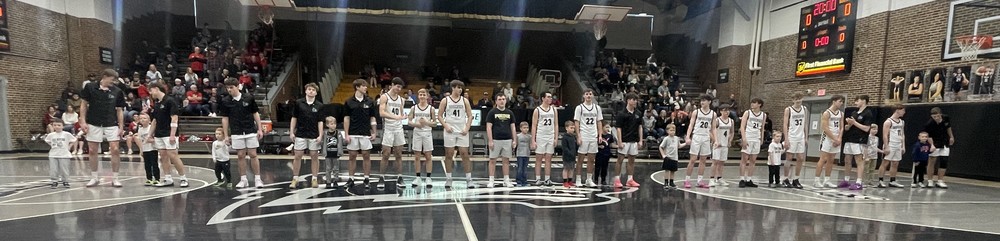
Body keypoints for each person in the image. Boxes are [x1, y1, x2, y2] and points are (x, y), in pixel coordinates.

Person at [80, 69, 127, 187]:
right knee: (92, 150)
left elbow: (120, 110)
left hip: (111, 123)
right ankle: (94, 177)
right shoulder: (90, 87)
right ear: (105, 76)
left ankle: (115, 178)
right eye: (112, 79)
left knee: (115, 149)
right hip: (93, 122)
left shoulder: (118, 91)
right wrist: (83, 121)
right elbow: (83, 105)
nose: (114, 82)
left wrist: (121, 126)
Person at [219, 78, 265, 188]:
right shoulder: (225, 101)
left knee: (253, 154)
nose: (229, 90)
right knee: (240, 155)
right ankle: (243, 179)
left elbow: (255, 113)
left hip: (250, 130)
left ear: (237, 86)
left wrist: (259, 129)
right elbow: (225, 119)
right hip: (236, 131)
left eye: (231, 87)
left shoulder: (248, 97)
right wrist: (226, 135)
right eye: (228, 88)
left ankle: (258, 179)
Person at [147, 83, 189, 188]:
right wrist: (149, 135)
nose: (150, 93)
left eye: (151, 91)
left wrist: (172, 135)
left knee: (173, 156)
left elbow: (174, 118)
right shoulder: (156, 103)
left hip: (168, 133)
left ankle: (183, 178)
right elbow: (154, 121)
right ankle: (167, 178)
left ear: (156, 89)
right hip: (159, 134)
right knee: (163, 156)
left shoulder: (170, 101)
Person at [438, 80, 475, 188]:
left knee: (464, 154)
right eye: (458, 87)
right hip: (450, 130)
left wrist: (467, 128)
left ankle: (469, 179)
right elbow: (439, 116)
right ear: (453, 88)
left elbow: (470, 116)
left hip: (462, 130)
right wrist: (446, 126)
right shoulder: (445, 100)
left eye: (461, 88)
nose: (460, 89)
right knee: (449, 154)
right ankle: (449, 178)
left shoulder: (465, 101)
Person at [289, 83, 325, 189]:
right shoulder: (299, 103)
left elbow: (320, 122)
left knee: (314, 156)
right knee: (297, 156)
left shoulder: (320, 105)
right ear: (305, 91)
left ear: (316, 93)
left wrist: (320, 135)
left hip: (314, 134)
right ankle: (295, 178)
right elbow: (294, 118)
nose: (311, 91)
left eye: (313, 90)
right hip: (300, 133)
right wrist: (291, 132)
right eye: (309, 89)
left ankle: (314, 179)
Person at [344, 79, 378, 187]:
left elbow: (372, 118)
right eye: (363, 86)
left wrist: (374, 131)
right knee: (352, 155)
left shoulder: (370, 101)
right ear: (357, 87)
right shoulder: (349, 102)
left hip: (365, 132)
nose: (365, 87)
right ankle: (351, 179)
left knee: (366, 155)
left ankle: (367, 178)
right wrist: (346, 134)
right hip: (353, 132)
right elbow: (346, 118)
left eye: (366, 86)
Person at [378, 79, 407, 188]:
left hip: (398, 128)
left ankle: (400, 177)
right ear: (392, 85)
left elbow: (400, 113)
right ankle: (381, 177)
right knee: (386, 154)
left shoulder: (401, 99)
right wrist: (396, 117)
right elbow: (382, 113)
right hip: (388, 128)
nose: (399, 89)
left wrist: (402, 117)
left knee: (399, 154)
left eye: (400, 87)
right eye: (397, 87)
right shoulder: (384, 97)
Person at [840, 95, 874, 190]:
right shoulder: (854, 112)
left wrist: (854, 123)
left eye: (857, 101)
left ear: (863, 101)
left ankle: (859, 182)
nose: (855, 103)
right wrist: (849, 125)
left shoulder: (868, 113)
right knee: (847, 160)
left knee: (859, 161)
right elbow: (847, 128)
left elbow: (867, 128)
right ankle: (846, 180)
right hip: (849, 139)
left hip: (859, 140)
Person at [684, 94, 715, 188]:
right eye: (701, 100)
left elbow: (713, 128)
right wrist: (688, 136)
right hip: (697, 136)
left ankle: (700, 180)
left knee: (703, 160)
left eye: (704, 100)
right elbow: (691, 125)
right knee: (693, 159)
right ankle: (687, 180)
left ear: (709, 102)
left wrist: (715, 140)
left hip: (706, 137)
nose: (702, 102)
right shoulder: (696, 112)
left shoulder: (713, 114)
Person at [573, 89, 603, 187]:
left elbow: (599, 122)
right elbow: (576, 122)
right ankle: (578, 179)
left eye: (590, 94)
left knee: (591, 159)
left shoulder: (597, 108)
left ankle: (589, 179)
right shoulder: (579, 108)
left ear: (593, 96)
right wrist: (578, 136)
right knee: (580, 159)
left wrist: (600, 135)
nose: (589, 96)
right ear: (584, 96)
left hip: (593, 135)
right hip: (584, 135)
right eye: (587, 94)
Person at [812, 95, 844, 188]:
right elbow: (825, 128)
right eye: (840, 101)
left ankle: (827, 180)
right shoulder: (827, 113)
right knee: (823, 159)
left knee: (831, 160)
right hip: (827, 138)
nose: (841, 103)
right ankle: (816, 180)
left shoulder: (841, 114)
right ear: (834, 101)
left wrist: (839, 138)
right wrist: (834, 138)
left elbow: (841, 127)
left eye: (842, 102)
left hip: (836, 138)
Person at [486, 94, 517, 188]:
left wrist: (514, 140)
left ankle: (506, 180)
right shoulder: (492, 112)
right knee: (492, 160)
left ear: (506, 101)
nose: (502, 101)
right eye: (499, 99)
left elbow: (513, 127)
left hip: (507, 139)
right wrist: (490, 140)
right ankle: (491, 180)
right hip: (495, 139)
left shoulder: (510, 112)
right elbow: (488, 127)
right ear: (496, 101)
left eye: (503, 99)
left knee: (506, 160)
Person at [408, 89, 437, 188]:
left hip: (427, 133)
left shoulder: (431, 109)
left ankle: (428, 177)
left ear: (427, 96)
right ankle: (418, 177)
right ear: (418, 96)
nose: (422, 96)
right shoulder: (414, 108)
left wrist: (426, 123)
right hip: (417, 132)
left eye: (424, 94)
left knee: (428, 156)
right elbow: (409, 121)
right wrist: (417, 124)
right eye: (420, 94)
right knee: (417, 156)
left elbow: (435, 123)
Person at [613, 93, 643, 188]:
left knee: (632, 160)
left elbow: (640, 127)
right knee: (620, 159)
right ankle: (617, 179)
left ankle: (630, 179)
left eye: (636, 100)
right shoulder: (621, 114)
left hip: (634, 140)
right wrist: (619, 141)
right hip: (624, 140)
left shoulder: (638, 113)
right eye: (633, 100)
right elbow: (618, 128)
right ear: (628, 100)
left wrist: (640, 140)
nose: (635, 102)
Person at [531, 91, 559, 186]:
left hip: (550, 136)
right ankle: (538, 179)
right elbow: (534, 125)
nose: (550, 99)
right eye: (548, 97)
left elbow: (556, 124)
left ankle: (547, 179)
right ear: (543, 98)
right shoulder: (537, 110)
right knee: (538, 158)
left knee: (548, 158)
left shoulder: (554, 109)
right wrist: (533, 140)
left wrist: (556, 138)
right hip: (541, 136)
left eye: (551, 97)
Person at [738, 98, 766, 188]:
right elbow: (742, 126)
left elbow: (762, 128)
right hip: (748, 137)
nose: (752, 104)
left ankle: (749, 179)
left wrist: (761, 139)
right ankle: (742, 179)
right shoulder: (747, 113)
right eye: (752, 102)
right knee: (744, 159)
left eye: (754, 103)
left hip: (756, 138)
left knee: (753, 160)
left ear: (759, 104)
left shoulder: (763, 115)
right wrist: (744, 138)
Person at [782, 93, 808, 189]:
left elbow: (805, 123)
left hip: (800, 136)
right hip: (792, 136)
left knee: (800, 158)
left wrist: (806, 136)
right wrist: (786, 138)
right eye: (796, 99)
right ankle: (785, 178)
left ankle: (796, 179)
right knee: (789, 157)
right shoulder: (788, 109)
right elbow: (785, 124)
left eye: (800, 98)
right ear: (793, 100)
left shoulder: (804, 109)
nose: (798, 100)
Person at [924, 107, 954, 188]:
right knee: (932, 161)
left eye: (937, 116)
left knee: (944, 161)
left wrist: (951, 137)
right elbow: (928, 136)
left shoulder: (946, 118)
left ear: (940, 114)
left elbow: (948, 128)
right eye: (934, 117)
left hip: (944, 142)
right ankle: (930, 180)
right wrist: (932, 145)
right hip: (935, 143)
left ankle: (940, 180)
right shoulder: (929, 124)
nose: (936, 118)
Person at [878, 104, 906, 188]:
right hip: (891, 144)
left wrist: (903, 146)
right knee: (885, 162)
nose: (904, 112)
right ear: (897, 110)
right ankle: (880, 180)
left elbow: (902, 134)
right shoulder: (888, 122)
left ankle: (892, 181)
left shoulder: (902, 122)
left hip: (898, 144)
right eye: (903, 110)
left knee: (895, 163)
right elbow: (885, 135)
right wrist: (886, 146)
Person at [43, 120, 75, 188]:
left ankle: (65, 181)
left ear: (63, 126)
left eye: (59, 125)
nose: (57, 127)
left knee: (64, 168)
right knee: (53, 169)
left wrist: (69, 147)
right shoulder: (51, 135)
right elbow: (48, 141)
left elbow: (73, 140)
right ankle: (54, 181)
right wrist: (52, 145)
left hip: (64, 154)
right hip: (53, 154)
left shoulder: (66, 134)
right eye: (55, 125)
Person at [710, 104, 734, 187]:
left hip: (725, 144)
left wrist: (730, 140)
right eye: (724, 110)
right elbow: (711, 131)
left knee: (722, 162)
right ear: (720, 111)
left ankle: (719, 178)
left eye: (727, 110)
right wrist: (715, 141)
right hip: (717, 144)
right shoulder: (717, 121)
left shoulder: (731, 121)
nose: (726, 112)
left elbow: (732, 132)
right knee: (715, 162)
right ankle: (712, 179)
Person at [135, 113, 160, 186]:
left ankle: (157, 178)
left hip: (153, 149)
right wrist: (141, 150)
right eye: (141, 118)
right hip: (145, 149)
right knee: (147, 165)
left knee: (154, 164)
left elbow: (156, 138)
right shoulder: (140, 129)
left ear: (149, 120)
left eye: (144, 118)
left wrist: (152, 141)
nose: (142, 120)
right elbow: (140, 140)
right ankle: (149, 178)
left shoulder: (151, 128)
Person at [659, 124, 686, 189]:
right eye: (671, 130)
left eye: (674, 130)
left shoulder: (677, 138)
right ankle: (666, 182)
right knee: (667, 170)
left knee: (673, 171)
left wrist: (686, 143)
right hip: (668, 157)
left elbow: (679, 146)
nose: (672, 132)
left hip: (675, 157)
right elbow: (660, 147)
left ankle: (671, 182)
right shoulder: (666, 139)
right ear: (667, 131)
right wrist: (663, 155)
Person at [323, 117, 345, 189]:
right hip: (328, 153)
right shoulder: (325, 133)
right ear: (327, 125)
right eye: (332, 124)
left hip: (336, 153)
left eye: (335, 124)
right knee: (328, 168)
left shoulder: (338, 133)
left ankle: (335, 180)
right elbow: (323, 143)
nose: (334, 125)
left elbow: (342, 142)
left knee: (336, 168)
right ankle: (328, 181)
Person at [560, 121, 579, 188]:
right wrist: (569, 153)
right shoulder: (565, 137)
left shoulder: (573, 137)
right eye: (571, 128)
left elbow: (575, 146)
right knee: (566, 168)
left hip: (573, 156)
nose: (572, 129)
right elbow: (564, 148)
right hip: (567, 156)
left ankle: (570, 181)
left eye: (573, 128)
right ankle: (565, 181)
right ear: (566, 128)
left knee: (572, 168)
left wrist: (574, 152)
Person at [515, 122, 532, 187]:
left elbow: (530, 145)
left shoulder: (529, 136)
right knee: (520, 168)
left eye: (527, 128)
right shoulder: (518, 136)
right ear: (521, 128)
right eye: (524, 128)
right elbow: (515, 143)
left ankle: (524, 181)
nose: (526, 129)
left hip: (527, 154)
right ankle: (518, 181)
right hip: (520, 154)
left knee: (525, 169)